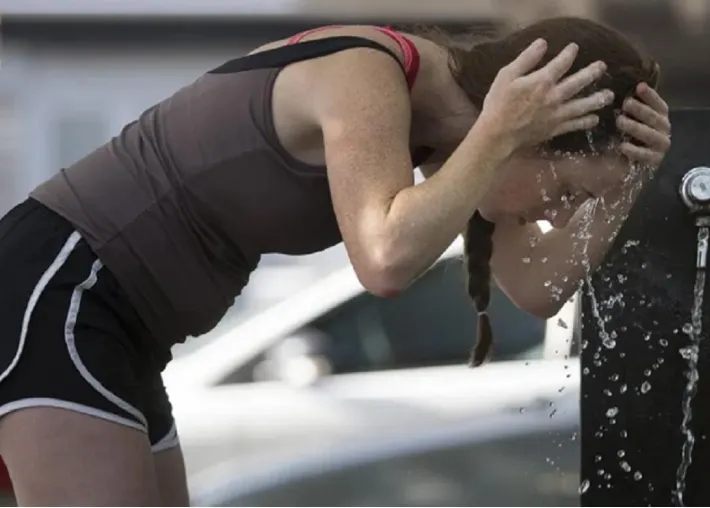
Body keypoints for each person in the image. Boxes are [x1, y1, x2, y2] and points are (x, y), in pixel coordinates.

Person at [0, 16, 670, 506]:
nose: (558, 215)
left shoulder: (461, 150)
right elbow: (383, 260)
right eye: (566, 191)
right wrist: (496, 133)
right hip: (63, 283)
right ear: (530, 129)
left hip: (127, 326)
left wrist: (628, 184)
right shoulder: (367, 75)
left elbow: (535, 288)